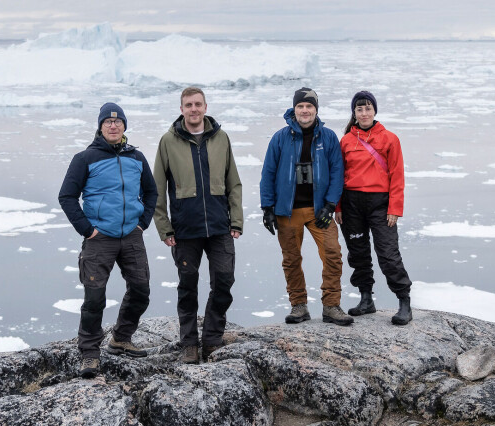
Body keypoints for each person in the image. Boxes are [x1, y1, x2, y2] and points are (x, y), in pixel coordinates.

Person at [59, 102, 159, 378]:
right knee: (94, 297)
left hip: (131, 236)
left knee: (140, 290)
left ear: (125, 126)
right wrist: (87, 229)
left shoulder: (136, 158)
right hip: (99, 238)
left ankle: (121, 338)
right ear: (100, 126)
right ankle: (89, 353)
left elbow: (151, 193)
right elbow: (67, 196)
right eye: (108, 122)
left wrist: (142, 223)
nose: (113, 125)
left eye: (118, 122)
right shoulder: (85, 159)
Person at [154, 87, 243, 364]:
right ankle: (190, 343)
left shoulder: (221, 138)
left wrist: (236, 220)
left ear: (205, 107)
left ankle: (213, 338)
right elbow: (157, 188)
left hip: (219, 226)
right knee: (188, 286)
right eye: (188, 105)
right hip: (185, 230)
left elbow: (234, 182)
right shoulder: (168, 141)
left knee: (224, 281)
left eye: (197, 104)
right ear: (181, 109)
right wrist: (164, 227)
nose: (193, 109)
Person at [260, 87, 353, 326]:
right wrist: (267, 208)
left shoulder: (328, 137)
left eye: (309, 106)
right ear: (294, 109)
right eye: (301, 106)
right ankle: (299, 306)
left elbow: (337, 171)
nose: (305, 110)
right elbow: (268, 172)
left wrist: (330, 205)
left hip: (318, 210)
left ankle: (331, 306)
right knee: (291, 259)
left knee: (332, 253)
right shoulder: (280, 138)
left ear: (316, 110)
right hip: (287, 211)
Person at [335, 91, 413, 325]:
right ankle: (366, 299)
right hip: (352, 204)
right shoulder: (347, 140)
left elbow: (397, 175)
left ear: (375, 111)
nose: (364, 113)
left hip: (381, 205)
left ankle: (404, 302)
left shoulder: (389, 138)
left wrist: (394, 208)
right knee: (358, 253)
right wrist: (338, 207)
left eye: (368, 108)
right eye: (359, 109)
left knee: (388, 254)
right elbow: (339, 176)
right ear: (354, 113)